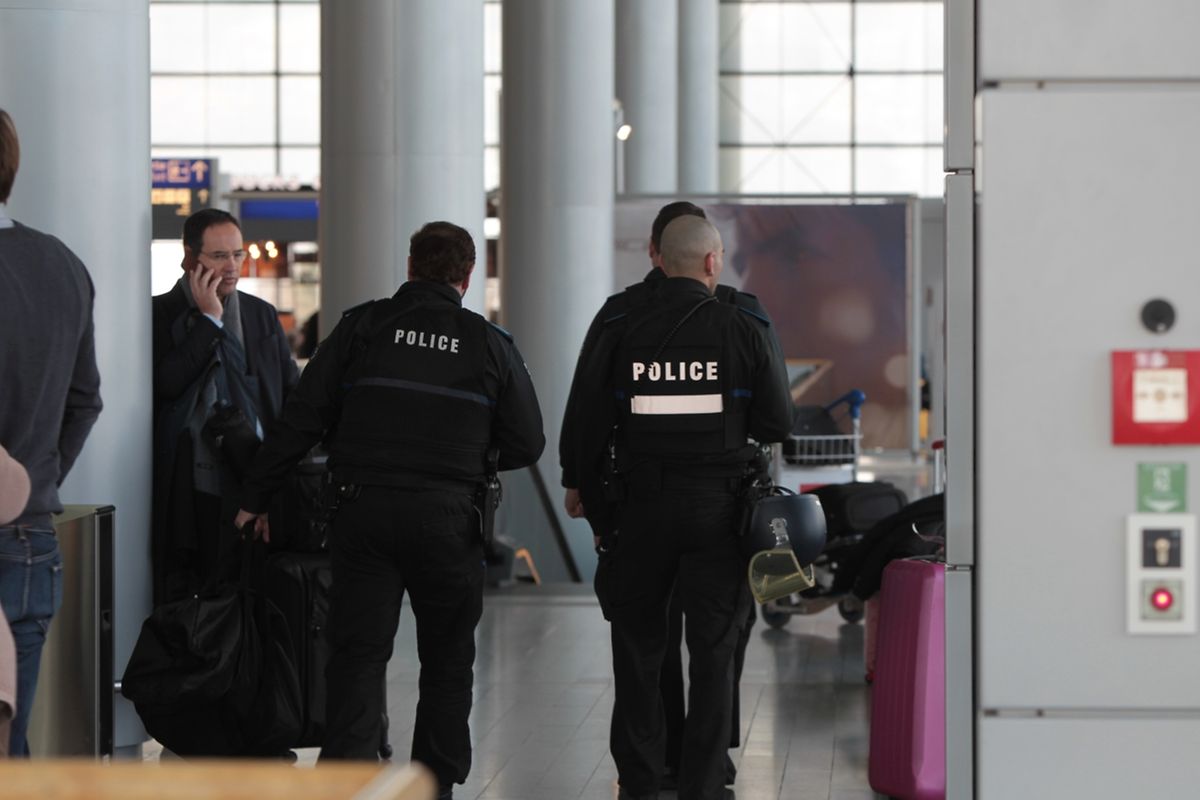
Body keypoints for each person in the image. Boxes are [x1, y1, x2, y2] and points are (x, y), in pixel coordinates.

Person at [234, 221, 544, 800]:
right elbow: (528, 442)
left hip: (363, 514)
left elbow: (301, 418)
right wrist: (469, 455)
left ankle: (349, 781)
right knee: (448, 661)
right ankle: (435, 784)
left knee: (357, 654)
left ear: (409, 266)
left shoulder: (363, 327)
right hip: (451, 521)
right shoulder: (488, 344)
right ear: (467, 276)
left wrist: (255, 497)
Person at [562, 215, 794, 800]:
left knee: (638, 647)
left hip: (639, 508)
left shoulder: (618, 319)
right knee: (714, 653)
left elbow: (587, 415)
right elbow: (776, 422)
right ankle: (705, 780)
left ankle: (641, 780)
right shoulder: (744, 321)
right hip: (721, 511)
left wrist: (582, 488)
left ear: (658, 258)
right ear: (713, 262)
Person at [0, 108, 104, 756]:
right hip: (29, 544)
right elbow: (85, 400)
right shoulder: (62, 265)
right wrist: (33, 480)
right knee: (11, 739)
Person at [151, 208, 299, 604]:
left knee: (254, 598)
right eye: (219, 256)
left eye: (238, 254)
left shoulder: (260, 315)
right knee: (193, 598)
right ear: (190, 258)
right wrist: (210, 321)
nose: (232, 266)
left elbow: (286, 398)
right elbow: (167, 384)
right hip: (191, 487)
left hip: (254, 477)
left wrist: (270, 488)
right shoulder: (159, 314)